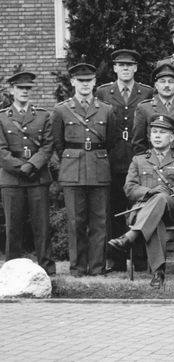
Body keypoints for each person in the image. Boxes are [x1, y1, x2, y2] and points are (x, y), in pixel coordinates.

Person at [109, 114, 174, 288]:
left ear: (172, 137)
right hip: (144, 212)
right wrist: (150, 192)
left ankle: (131, 236)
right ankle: (159, 272)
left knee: (161, 197)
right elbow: (129, 188)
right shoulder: (138, 160)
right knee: (156, 220)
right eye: (154, 132)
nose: (157, 136)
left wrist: (167, 192)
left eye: (162, 132)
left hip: (173, 211)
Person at [52, 63, 118, 276]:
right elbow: (58, 143)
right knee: (76, 222)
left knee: (99, 222)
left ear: (94, 82)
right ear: (73, 82)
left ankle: (97, 267)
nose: (85, 84)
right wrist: (72, 157)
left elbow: (110, 142)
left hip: (99, 170)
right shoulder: (61, 110)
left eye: (89, 80)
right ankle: (78, 268)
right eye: (81, 81)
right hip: (73, 171)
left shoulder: (106, 110)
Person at [97, 48, 153, 269]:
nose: (125, 69)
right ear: (115, 68)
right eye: (121, 65)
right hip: (113, 158)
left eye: (129, 65)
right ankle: (117, 260)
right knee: (115, 209)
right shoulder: (104, 92)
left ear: (136, 68)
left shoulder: (146, 92)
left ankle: (139, 259)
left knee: (139, 208)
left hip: (138, 156)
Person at [0, 71, 55, 275]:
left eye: (28, 88)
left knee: (42, 225)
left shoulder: (42, 115)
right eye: (20, 88)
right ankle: (11, 270)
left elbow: (48, 146)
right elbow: (1, 150)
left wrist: (32, 165)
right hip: (11, 178)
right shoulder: (2, 117)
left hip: (37, 176)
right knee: (13, 226)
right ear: (11, 90)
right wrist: (19, 167)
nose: (24, 91)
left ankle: (47, 268)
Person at [133, 63, 174, 159]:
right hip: (154, 160)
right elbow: (138, 143)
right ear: (156, 85)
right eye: (162, 82)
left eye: (171, 82)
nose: (167, 85)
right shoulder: (144, 108)